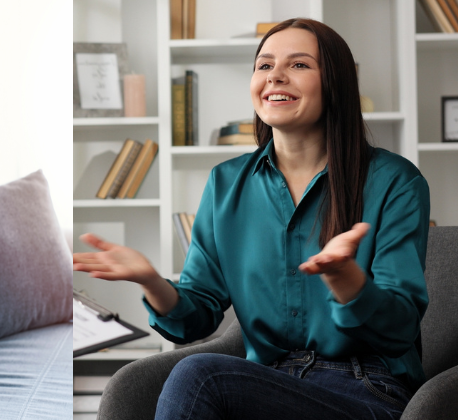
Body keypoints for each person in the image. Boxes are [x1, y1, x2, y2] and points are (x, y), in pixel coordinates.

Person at [73, 18, 429, 419]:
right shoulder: (226, 183)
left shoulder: (395, 181)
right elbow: (198, 315)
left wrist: (348, 282)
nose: (275, 76)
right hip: (263, 383)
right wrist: (152, 281)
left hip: (366, 390)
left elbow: (400, 328)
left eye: (298, 65)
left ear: (336, 83)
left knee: (200, 376)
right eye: (264, 65)